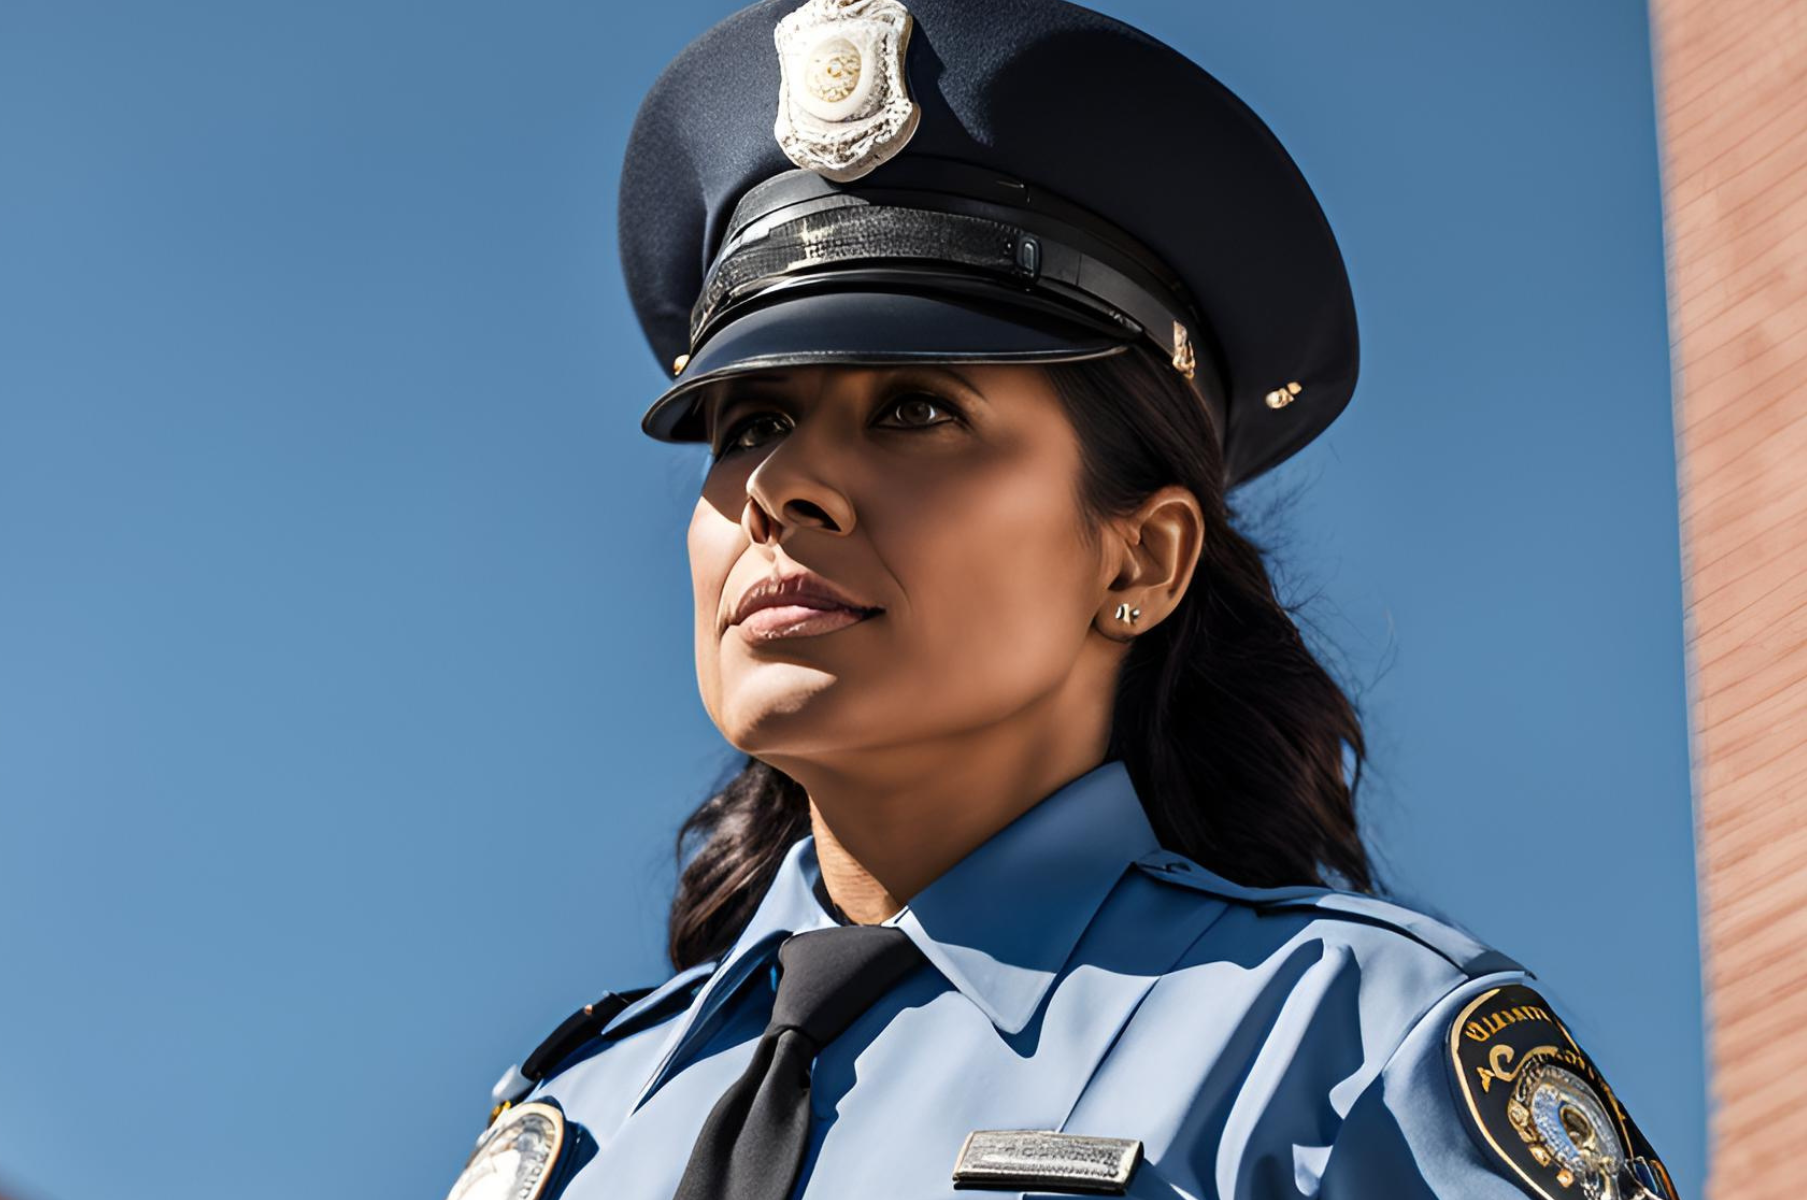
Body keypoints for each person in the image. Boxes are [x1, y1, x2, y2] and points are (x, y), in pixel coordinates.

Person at [443, 1, 1681, 1198]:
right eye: (750, 423)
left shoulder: (1349, 1059)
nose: (784, 485)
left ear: (1138, 558)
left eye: (916, 409)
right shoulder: (575, 1131)